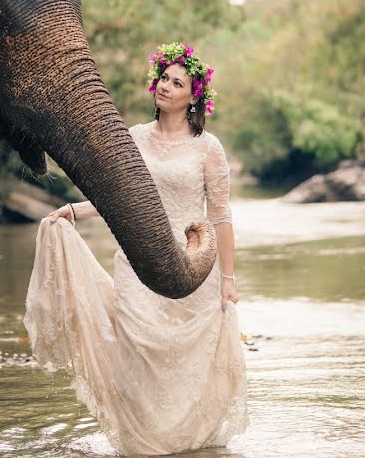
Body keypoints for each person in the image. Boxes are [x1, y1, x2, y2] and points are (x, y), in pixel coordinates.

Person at [23, 42, 250, 455]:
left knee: (185, 361)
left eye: (177, 82)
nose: (165, 86)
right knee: (137, 350)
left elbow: (221, 217)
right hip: (137, 262)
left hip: (193, 264)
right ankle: (141, 440)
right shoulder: (133, 138)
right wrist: (73, 211)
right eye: (164, 77)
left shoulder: (208, 148)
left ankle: (184, 440)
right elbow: (116, 196)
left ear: (193, 95)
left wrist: (229, 280)